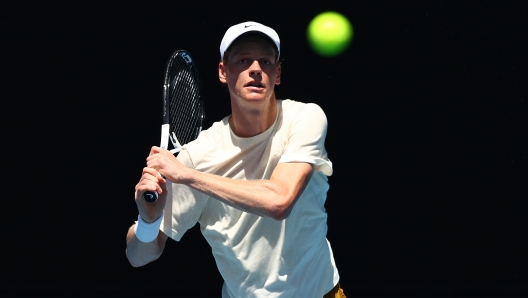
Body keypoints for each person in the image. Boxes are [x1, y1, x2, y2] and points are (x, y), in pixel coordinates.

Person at [126, 21, 346, 298]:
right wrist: (148, 222)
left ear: (277, 74)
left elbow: (279, 201)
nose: (255, 69)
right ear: (223, 71)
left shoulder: (304, 119)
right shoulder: (197, 156)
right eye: (243, 60)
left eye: (265, 61)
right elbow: (139, 256)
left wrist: (188, 176)